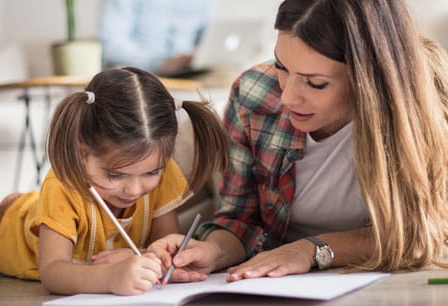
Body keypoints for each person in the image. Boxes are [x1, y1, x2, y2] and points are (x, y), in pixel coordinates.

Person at [148, 0, 448, 283]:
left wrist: (311, 250)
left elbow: (424, 234)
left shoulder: (427, 99)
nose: (288, 96)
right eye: (281, 67)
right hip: (286, 282)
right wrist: (212, 251)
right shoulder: (255, 94)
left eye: (315, 83)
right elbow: (240, 221)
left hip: (386, 279)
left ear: (368, 77)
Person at [0, 66, 229, 295]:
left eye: (150, 173)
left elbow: (161, 248)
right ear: (82, 152)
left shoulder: (164, 175)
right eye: (115, 175)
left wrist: (156, 262)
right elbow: (53, 272)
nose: (134, 190)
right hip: (3, 230)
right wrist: (111, 277)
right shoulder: (62, 185)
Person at [99, 0, 215, 76]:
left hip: (190, 74)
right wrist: (160, 65)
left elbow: (208, 37)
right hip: (140, 77)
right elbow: (111, 46)